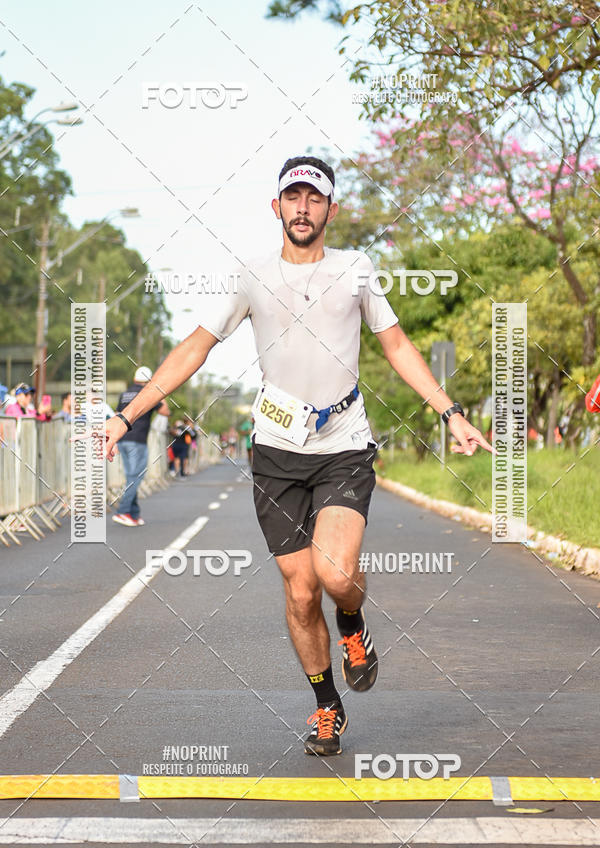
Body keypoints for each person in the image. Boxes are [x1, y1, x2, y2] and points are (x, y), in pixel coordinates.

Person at [103, 155, 493, 755]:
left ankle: (353, 624)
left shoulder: (356, 270)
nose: (303, 208)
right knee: (302, 591)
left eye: (314, 198)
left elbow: (396, 345)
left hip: (343, 443)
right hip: (277, 452)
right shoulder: (251, 276)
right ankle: (326, 704)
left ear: (331, 210)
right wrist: (127, 414)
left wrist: (451, 411)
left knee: (336, 575)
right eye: (293, 197)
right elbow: (195, 348)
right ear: (277, 206)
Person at [112, 366, 169, 527]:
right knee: (136, 476)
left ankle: (133, 513)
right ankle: (123, 511)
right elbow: (165, 411)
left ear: (135, 379)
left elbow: (117, 414)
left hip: (123, 439)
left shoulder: (124, 394)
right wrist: (160, 391)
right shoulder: (149, 393)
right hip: (137, 440)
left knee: (131, 476)